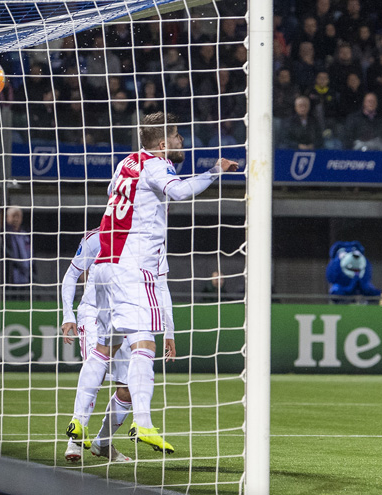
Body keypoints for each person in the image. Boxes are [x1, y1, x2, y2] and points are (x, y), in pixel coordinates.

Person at [65, 112, 238, 454]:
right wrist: (214, 171)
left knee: (104, 349)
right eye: (176, 136)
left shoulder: (126, 163)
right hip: (131, 267)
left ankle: (78, 422)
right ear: (162, 144)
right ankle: (143, 423)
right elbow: (179, 192)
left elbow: (120, 197)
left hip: (105, 265)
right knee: (144, 344)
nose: (181, 141)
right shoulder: (158, 165)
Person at [60, 228, 177, 463]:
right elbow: (72, 274)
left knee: (127, 389)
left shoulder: (154, 241)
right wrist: (67, 314)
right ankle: (75, 439)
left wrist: (169, 329)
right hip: (95, 312)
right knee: (98, 366)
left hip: (129, 312)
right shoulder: (96, 237)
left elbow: (162, 285)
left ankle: (103, 443)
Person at [4, 206, 34, 290]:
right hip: (10, 273)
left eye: (18, 216)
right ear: (7, 217)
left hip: (26, 273)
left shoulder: (25, 234)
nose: (16, 219)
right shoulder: (4, 234)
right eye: (14, 216)